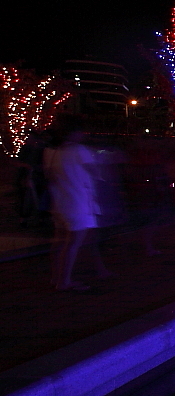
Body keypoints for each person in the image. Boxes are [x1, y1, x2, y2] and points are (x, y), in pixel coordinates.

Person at [44, 124, 109, 291]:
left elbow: (49, 176)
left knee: (60, 242)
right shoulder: (80, 150)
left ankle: (55, 277)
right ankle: (64, 281)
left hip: (60, 202)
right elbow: (96, 173)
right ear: (74, 133)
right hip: (78, 202)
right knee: (73, 244)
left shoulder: (52, 151)